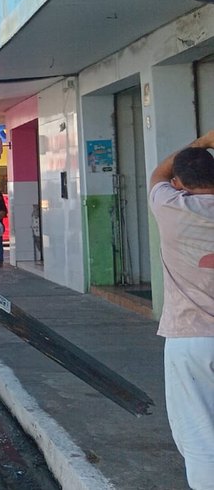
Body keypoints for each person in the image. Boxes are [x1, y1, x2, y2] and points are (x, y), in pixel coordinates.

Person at [148, 131, 214, 488]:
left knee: (202, 436)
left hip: (190, 340)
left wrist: (200, 142)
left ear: (180, 183)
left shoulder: (171, 207)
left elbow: (157, 175)